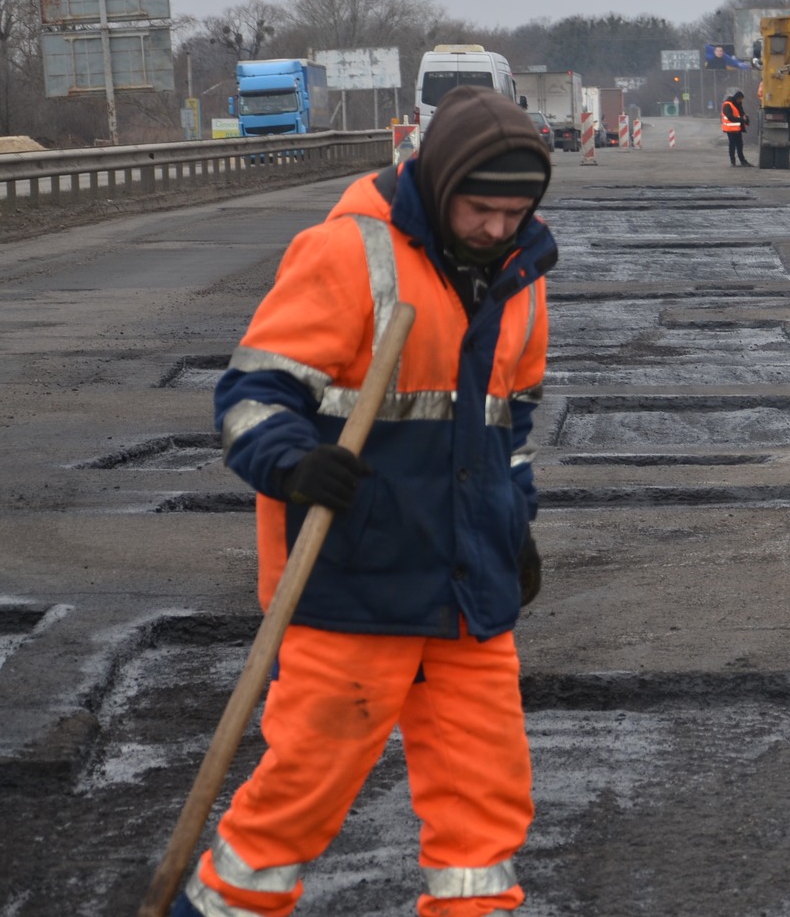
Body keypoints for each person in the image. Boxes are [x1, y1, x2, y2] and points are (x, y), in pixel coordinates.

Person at [179, 86, 556, 917]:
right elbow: (252, 394)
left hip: (468, 588)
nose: (499, 228)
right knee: (303, 788)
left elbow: (511, 424)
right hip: (354, 578)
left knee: (486, 801)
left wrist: (515, 522)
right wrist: (293, 464)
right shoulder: (349, 253)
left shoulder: (523, 278)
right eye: (481, 209)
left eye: (516, 211)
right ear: (440, 183)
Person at [722, 89, 749, 166]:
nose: (740, 101)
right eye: (740, 99)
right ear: (737, 98)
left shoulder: (738, 104)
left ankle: (742, 160)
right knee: (732, 145)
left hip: (737, 129)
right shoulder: (728, 104)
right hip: (730, 129)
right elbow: (730, 117)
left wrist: (745, 118)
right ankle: (733, 161)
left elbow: (741, 113)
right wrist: (741, 119)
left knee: (739, 145)